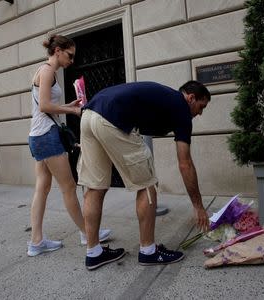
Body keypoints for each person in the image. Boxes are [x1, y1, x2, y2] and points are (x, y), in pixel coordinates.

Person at [78, 80, 211, 270]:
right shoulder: (181, 108)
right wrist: (198, 206)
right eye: (201, 106)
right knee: (147, 185)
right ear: (191, 98)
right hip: (110, 118)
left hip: (89, 114)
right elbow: (185, 163)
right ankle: (148, 251)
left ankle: (94, 253)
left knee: (95, 186)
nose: (200, 113)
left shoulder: (167, 97)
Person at [27, 34, 111, 257]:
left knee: (42, 188)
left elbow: (44, 106)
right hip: (46, 135)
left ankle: (36, 242)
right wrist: (73, 110)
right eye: (69, 55)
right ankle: (86, 233)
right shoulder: (47, 71)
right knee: (69, 187)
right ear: (57, 51)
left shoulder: (43, 71)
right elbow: (45, 106)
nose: (71, 61)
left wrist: (66, 105)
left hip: (38, 135)